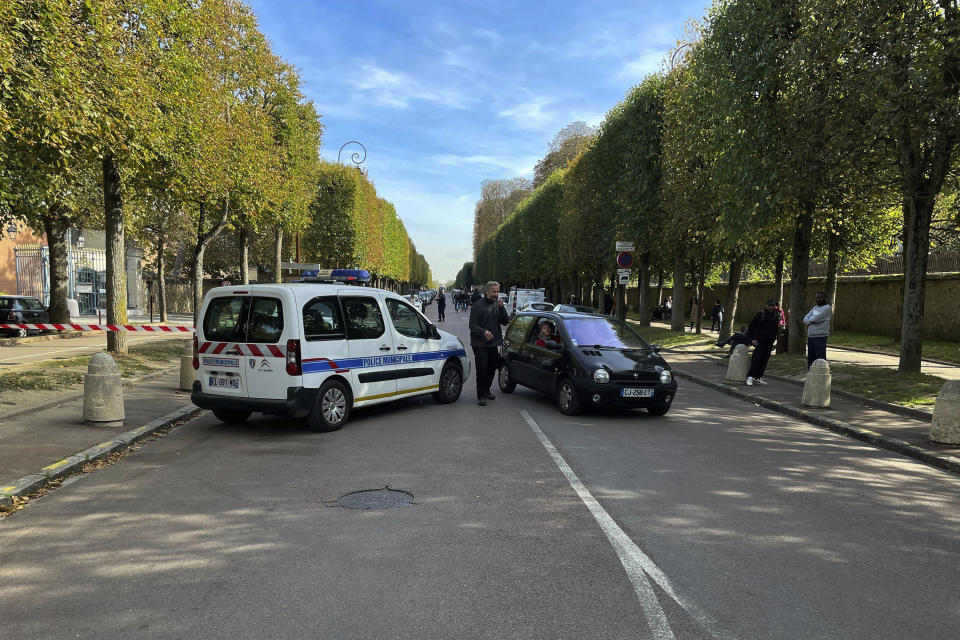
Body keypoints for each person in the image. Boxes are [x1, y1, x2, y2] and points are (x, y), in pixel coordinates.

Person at [469, 281, 510, 406]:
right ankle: (481, 395)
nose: (496, 294)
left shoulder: (498, 305)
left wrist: (502, 308)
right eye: (494, 292)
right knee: (482, 369)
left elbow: (505, 321)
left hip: (493, 343)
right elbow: (472, 325)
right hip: (479, 343)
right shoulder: (478, 305)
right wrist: (484, 332)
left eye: (497, 292)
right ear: (487, 291)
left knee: (493, 367)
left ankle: (487, 390)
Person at [746, 299, 779, 386]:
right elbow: (751, 326)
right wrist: (752, 339)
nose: (771, 307)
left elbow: (776, 328)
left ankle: (758, 377)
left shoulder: (775, 314)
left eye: (773, 305)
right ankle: (750, 376)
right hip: (760, 341)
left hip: (769, 342)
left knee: (764, 360)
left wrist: (774, 340)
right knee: (756, 359)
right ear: (766, 305)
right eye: (770, 305)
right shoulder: (761, 313)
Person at [803, 290, 833, 369]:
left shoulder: (827, 308)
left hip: (820, 336)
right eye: (817, 298)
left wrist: (811, 321)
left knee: (820, 358)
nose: (818, 299)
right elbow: (805, 318)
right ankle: (811, 374)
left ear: (824, 298)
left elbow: (815, 319)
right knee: (811, 357)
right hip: (811, 335)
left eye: (820, 297)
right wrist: (811, 321)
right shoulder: (815, 308)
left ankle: (821, 374)